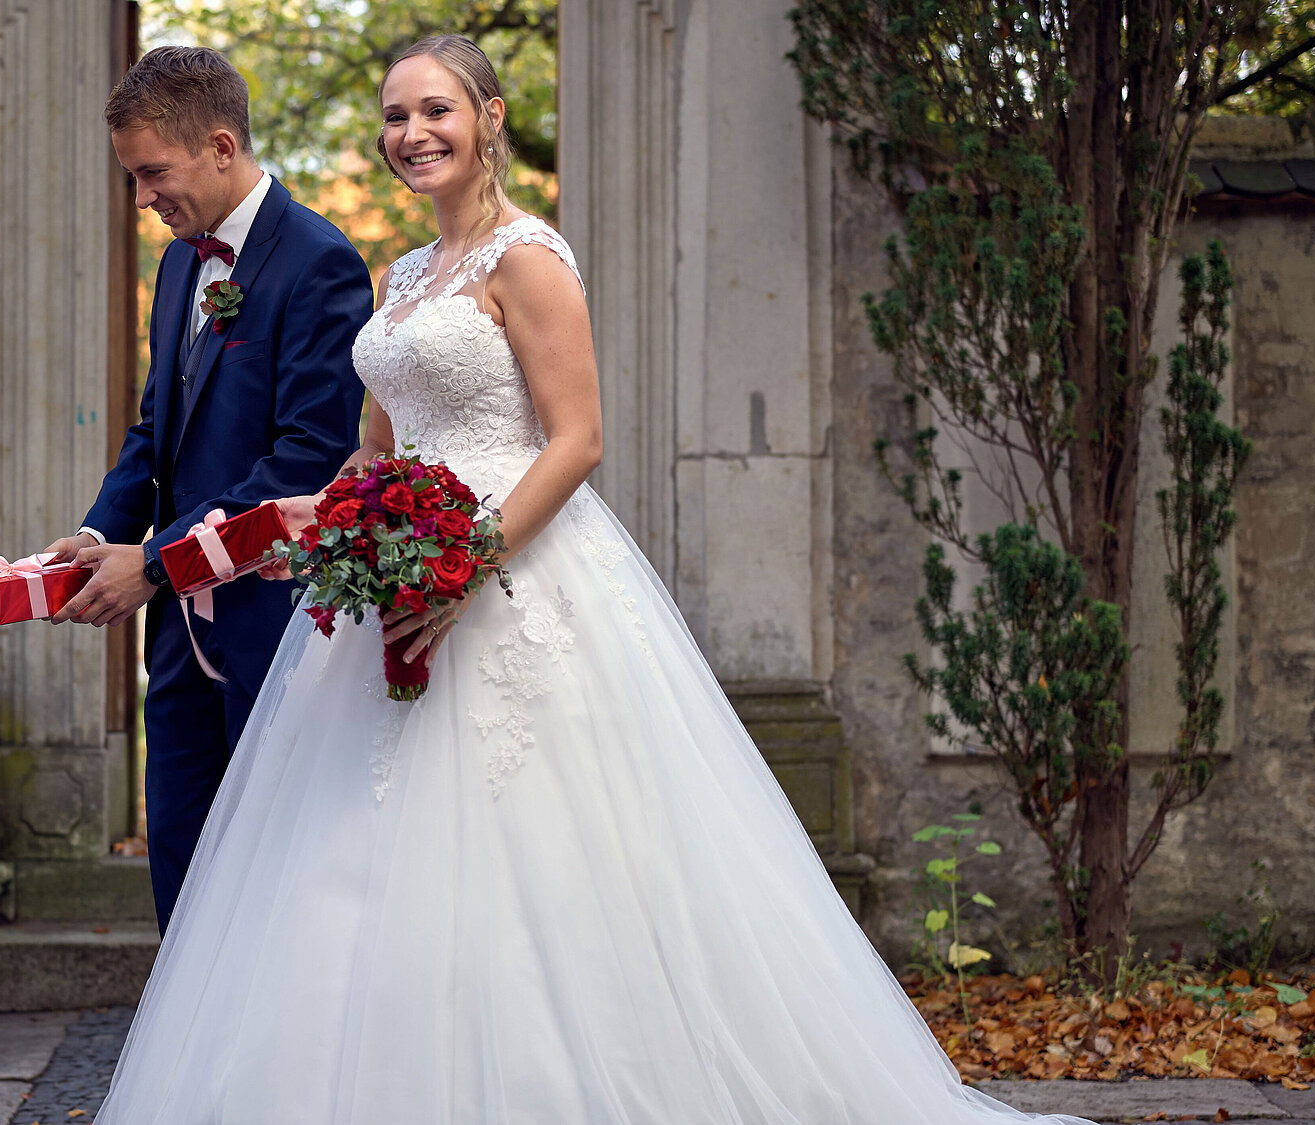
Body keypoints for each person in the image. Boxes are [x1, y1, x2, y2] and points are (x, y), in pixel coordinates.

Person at [93, 37, 1100, 1124]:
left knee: (540, 861)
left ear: (487, 116)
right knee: (354, 863)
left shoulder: (529, 258)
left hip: (509, 579)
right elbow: (374, 454)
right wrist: (332, 522)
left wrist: (465, 563)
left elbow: (573, 442)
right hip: (388, 590)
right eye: (392, 116)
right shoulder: (401, 277)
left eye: (433, 109)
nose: (409, 134)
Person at [40, 45, 370, 931]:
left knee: (275, 873)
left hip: (272, 626)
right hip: (178, 635)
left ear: (221, 146)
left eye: (153, 173)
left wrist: (151, 559)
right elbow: (156, 430)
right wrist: (97, 532)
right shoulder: (181, 263)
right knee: (181, 863)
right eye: (134, 178)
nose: (142, 199)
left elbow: (304, 462)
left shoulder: (321, 264)